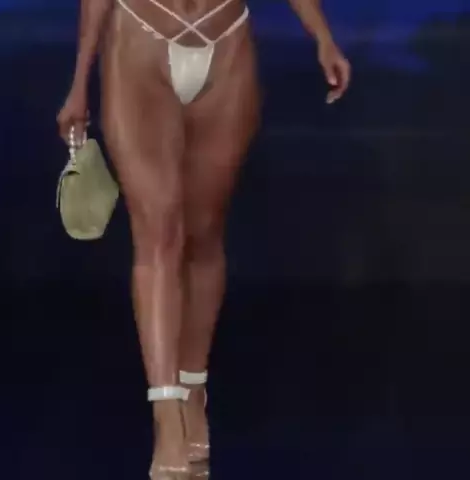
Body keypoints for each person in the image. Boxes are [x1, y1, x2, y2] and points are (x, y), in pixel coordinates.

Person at [56, 0, 350, 477]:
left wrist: (322, 37)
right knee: (158, 235)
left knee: (204, 234)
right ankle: (166, 413)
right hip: (141, 40)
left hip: (226, 41)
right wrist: (79, 81)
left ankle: (193, 389)